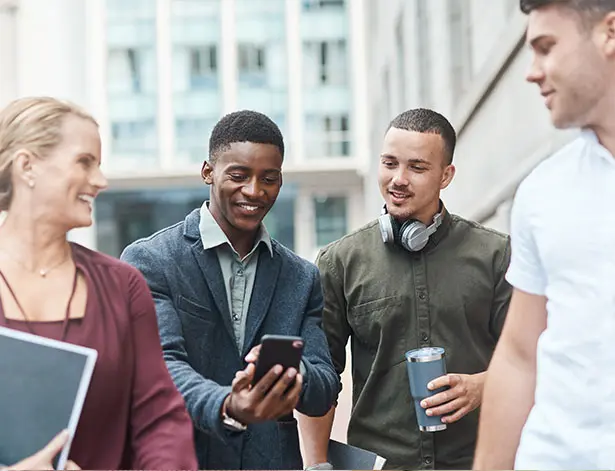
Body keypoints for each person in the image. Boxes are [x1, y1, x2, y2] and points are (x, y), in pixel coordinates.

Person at [121, 110, 340, 470]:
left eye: (269, 179)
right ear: (208, 171)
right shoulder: (151, 260)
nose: (254, 191)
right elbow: (160, 367)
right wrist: (229, 404)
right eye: (238, 176)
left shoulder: (301, 277)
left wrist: (290, 374)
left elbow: (324, 389)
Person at [298, 108, 512, 470]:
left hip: (479, 461)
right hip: (380, 463)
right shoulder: (340, 261)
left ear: (446, 175)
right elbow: (321, 376)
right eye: (389, 163)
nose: (398, 179)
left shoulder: (495, 254)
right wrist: (318, 464)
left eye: (417, 167)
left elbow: (531, 357)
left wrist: (482, 387)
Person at [0, 96, 197, 470]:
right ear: (27, 166)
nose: (101, 181)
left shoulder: (123, 287)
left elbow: (160, 420)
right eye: (84, 162)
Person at [474, 1, 615, 469]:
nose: (531, 72)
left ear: (609, 33)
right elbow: (518, 357)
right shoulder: (542, 192)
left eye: (545, 47)